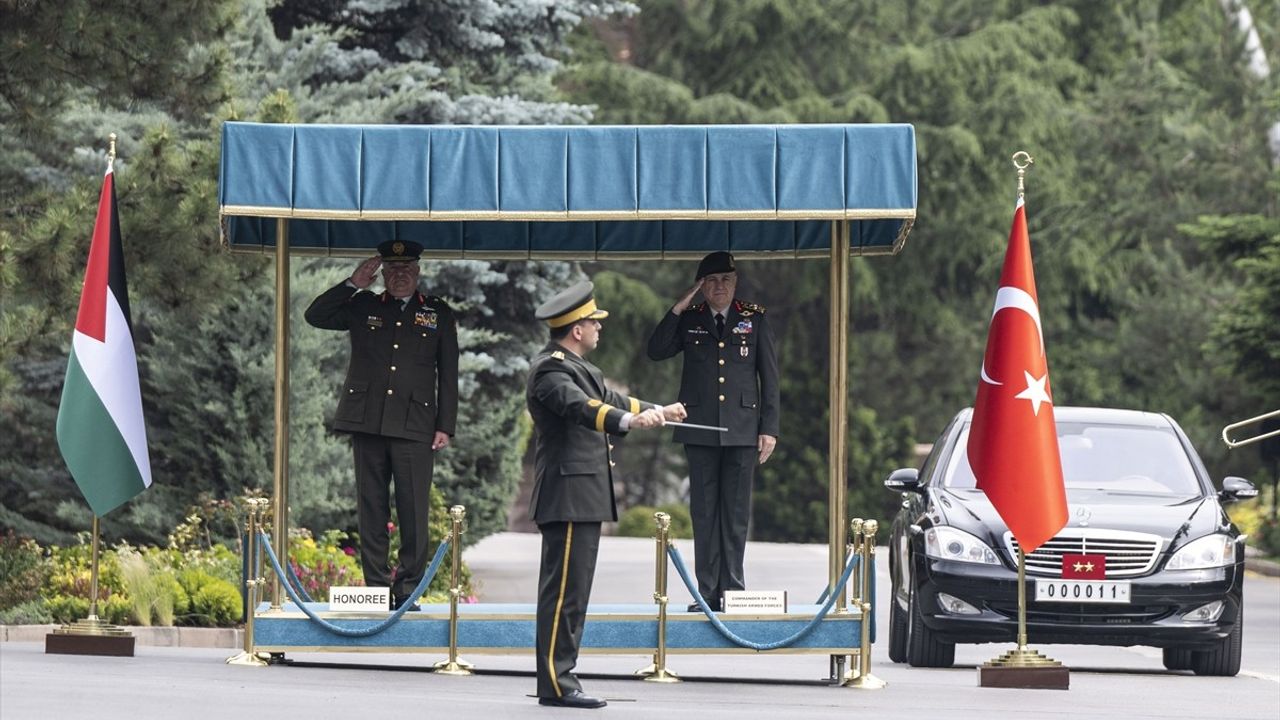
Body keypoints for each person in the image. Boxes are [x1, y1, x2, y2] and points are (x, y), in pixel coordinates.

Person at [527, 280, 687, 709]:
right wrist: (631, 423)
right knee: (563, 594)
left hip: (582, 495)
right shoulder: (551, 371)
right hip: (567, 495)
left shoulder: (577, 368)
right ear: (576, 329)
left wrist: (659, 410)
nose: (600, 328)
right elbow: (585, 408)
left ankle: (562, 677)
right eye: (594, 322)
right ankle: (557, 684)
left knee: (574, 593)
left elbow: (612, 398)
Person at [304, 239, 459, 611]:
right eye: (392, 270)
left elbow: (448, 373)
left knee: (413, 510)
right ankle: (376, 587)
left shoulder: (436, 313)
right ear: (383, 274)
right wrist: (353, 283)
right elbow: (316, 316)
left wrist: (445, 425)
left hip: (414, 425)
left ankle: (406, 588)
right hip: (368, 421)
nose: (400, 276)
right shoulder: (363, 305)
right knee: (371, 507)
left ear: (418, 272)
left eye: (406, 270)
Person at [646, 251, 779, 613]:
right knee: (704, 513)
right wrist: (680, 305)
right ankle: (707, 593)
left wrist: (769, 429)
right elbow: (656, 350)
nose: (719, 287)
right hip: (700, 428)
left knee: (735, 514)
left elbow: (769, 378)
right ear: (701, 285)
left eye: (725, 280)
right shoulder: (689, 319)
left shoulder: (754, 320)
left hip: (741, 430)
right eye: (711, 281)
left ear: (735, 283)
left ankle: (733, 590)